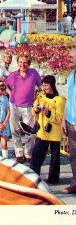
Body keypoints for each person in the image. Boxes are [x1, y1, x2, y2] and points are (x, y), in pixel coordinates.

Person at [5, 53, 41, 163]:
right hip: (14, 105)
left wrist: (38, 98)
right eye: (20, 62)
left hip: (29, 107)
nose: (22, 64)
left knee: (31, 133)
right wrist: (10, 93)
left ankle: (28, 153)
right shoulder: (13, 74)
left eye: (25, 62)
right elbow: (5, 85)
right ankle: (19, 153)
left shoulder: (33, 73)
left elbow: (41, 85)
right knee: (15, 130)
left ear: (29, 63)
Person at [29, 75, 66, 185]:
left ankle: (53, 179)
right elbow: (33, 109)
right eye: (43, 85)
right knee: (36, 155)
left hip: (54, 132)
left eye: (46, 85)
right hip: (42, 132)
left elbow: (60, 117)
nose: (44, 87)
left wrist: (48, 113)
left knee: (55, 158)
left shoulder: (60, 100)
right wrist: (35, 110)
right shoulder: (40, 97)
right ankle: (33, 177)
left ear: (52, 85)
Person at [61, 47, 76, 194]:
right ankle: (75, 183)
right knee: (74, 155)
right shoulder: (71, 76)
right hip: (71, 122)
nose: (69, 59)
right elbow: (69, 99)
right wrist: (64, 120)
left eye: (72, 57)